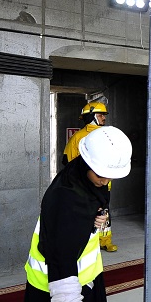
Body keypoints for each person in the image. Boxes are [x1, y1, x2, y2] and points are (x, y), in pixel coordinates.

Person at [20, 126, 133, 302]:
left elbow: (90, 207)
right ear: (87, 161)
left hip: (86, 279)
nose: (105, 180)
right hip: (56, 285)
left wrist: (95, 218)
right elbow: (60, 253)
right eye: (101, 174)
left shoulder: (83, 176)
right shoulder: (66, 197)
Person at [63, 100, 119, 252]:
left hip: (104, 183)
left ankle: (105, 240)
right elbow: (67, 161)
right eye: (101, 115)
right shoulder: (78, 137)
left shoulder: (107, 135)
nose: (104, 118)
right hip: (83, 185)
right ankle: (85, 240)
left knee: (104, 211)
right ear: (91, 116)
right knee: (85, 211)